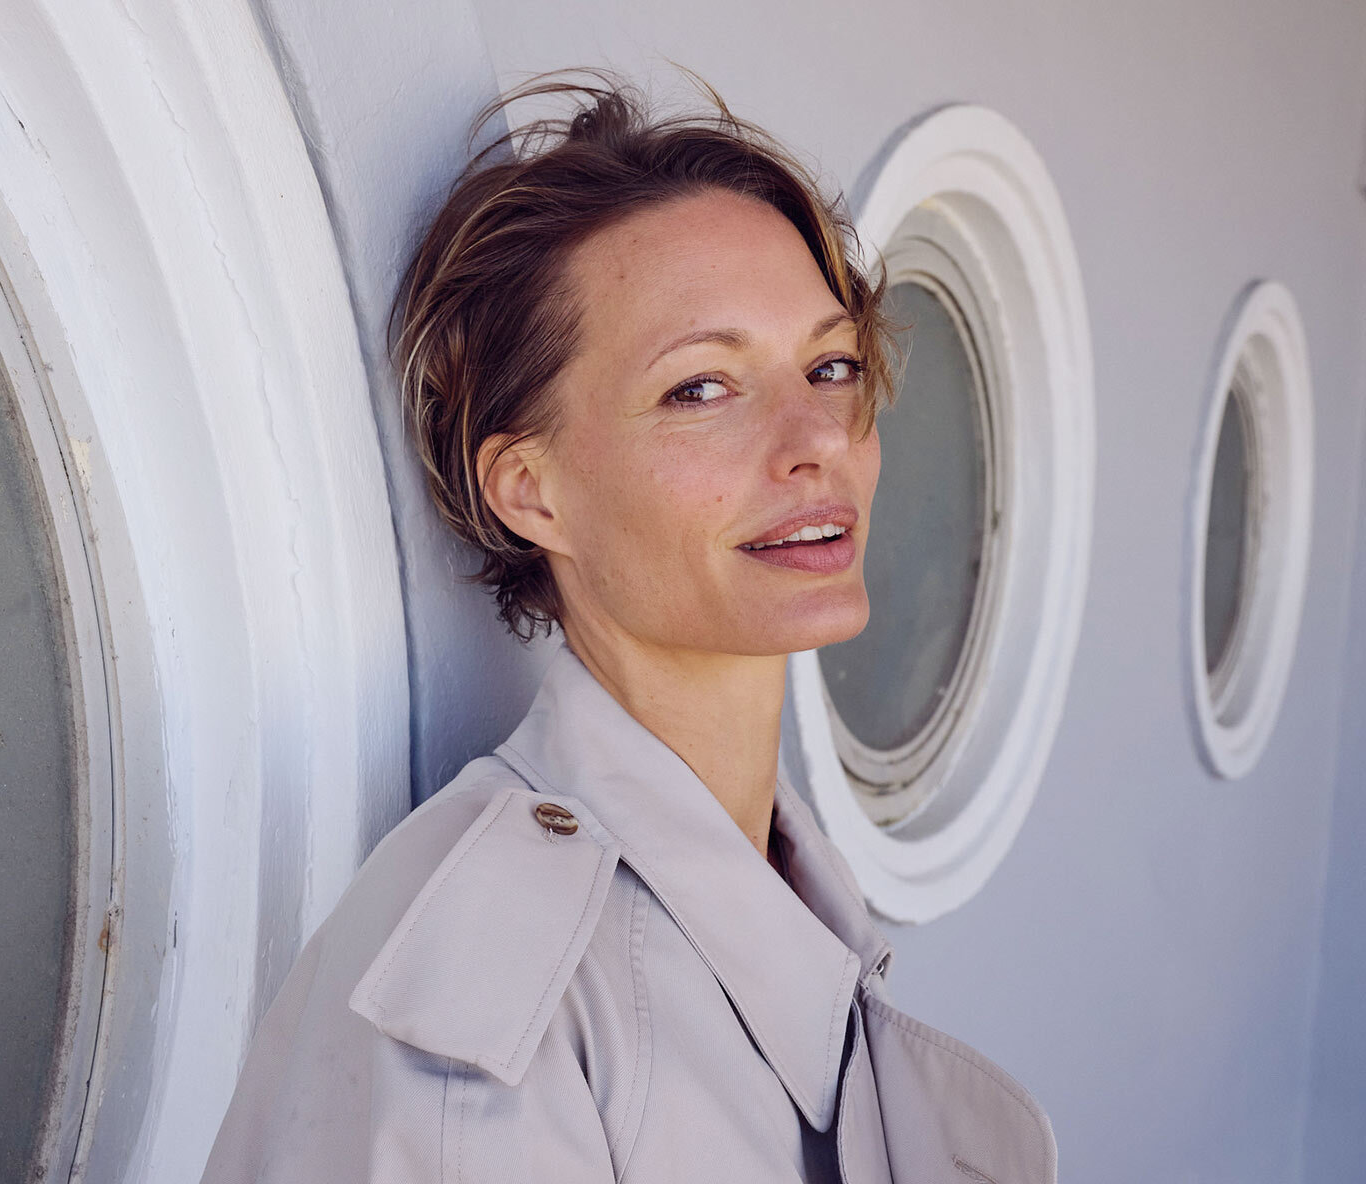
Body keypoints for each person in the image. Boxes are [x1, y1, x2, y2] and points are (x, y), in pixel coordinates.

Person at [204, 75, 1055, 1184]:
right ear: (532, 491)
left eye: (830, 365)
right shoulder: (501, 1013)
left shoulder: (787, 875)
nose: (815, 438)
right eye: (701, 388)